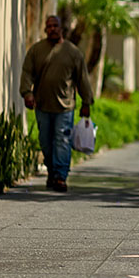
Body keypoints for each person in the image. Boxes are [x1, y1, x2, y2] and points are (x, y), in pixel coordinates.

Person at [20, 15, 94, 192]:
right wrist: (27, 93)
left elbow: (82, 79)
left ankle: (60, 176)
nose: (52, 28)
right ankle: (52, 173)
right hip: (43, 105)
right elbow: (27, 72)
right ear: (45, 30)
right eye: (49, 26)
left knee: (62, 140)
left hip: (65, 107)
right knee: (45, 142)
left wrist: (86, 102)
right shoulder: (36, 50)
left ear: (62, 28)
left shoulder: (73, 52)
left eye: (55, 25)